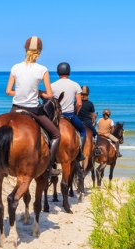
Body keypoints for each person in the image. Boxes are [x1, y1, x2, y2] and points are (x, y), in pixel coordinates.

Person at [5, 35, 60, 174]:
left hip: (15, 108)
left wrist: (19, 92)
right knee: (56, 135)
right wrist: (39, 93)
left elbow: (8, 91)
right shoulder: (42, 70)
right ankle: (49, 167)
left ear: (25, 49)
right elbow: (50, 95)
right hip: (33, 110)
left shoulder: (15, 67)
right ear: (39, 52)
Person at [51, 62, 85, 160]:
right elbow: (79, 103)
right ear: (69, 71)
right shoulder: (75, 85)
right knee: (83, 130)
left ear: (58, 72)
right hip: (69, 115)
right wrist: (76, 112)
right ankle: (80, 153)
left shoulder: (52, 85)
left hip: (56, 117)